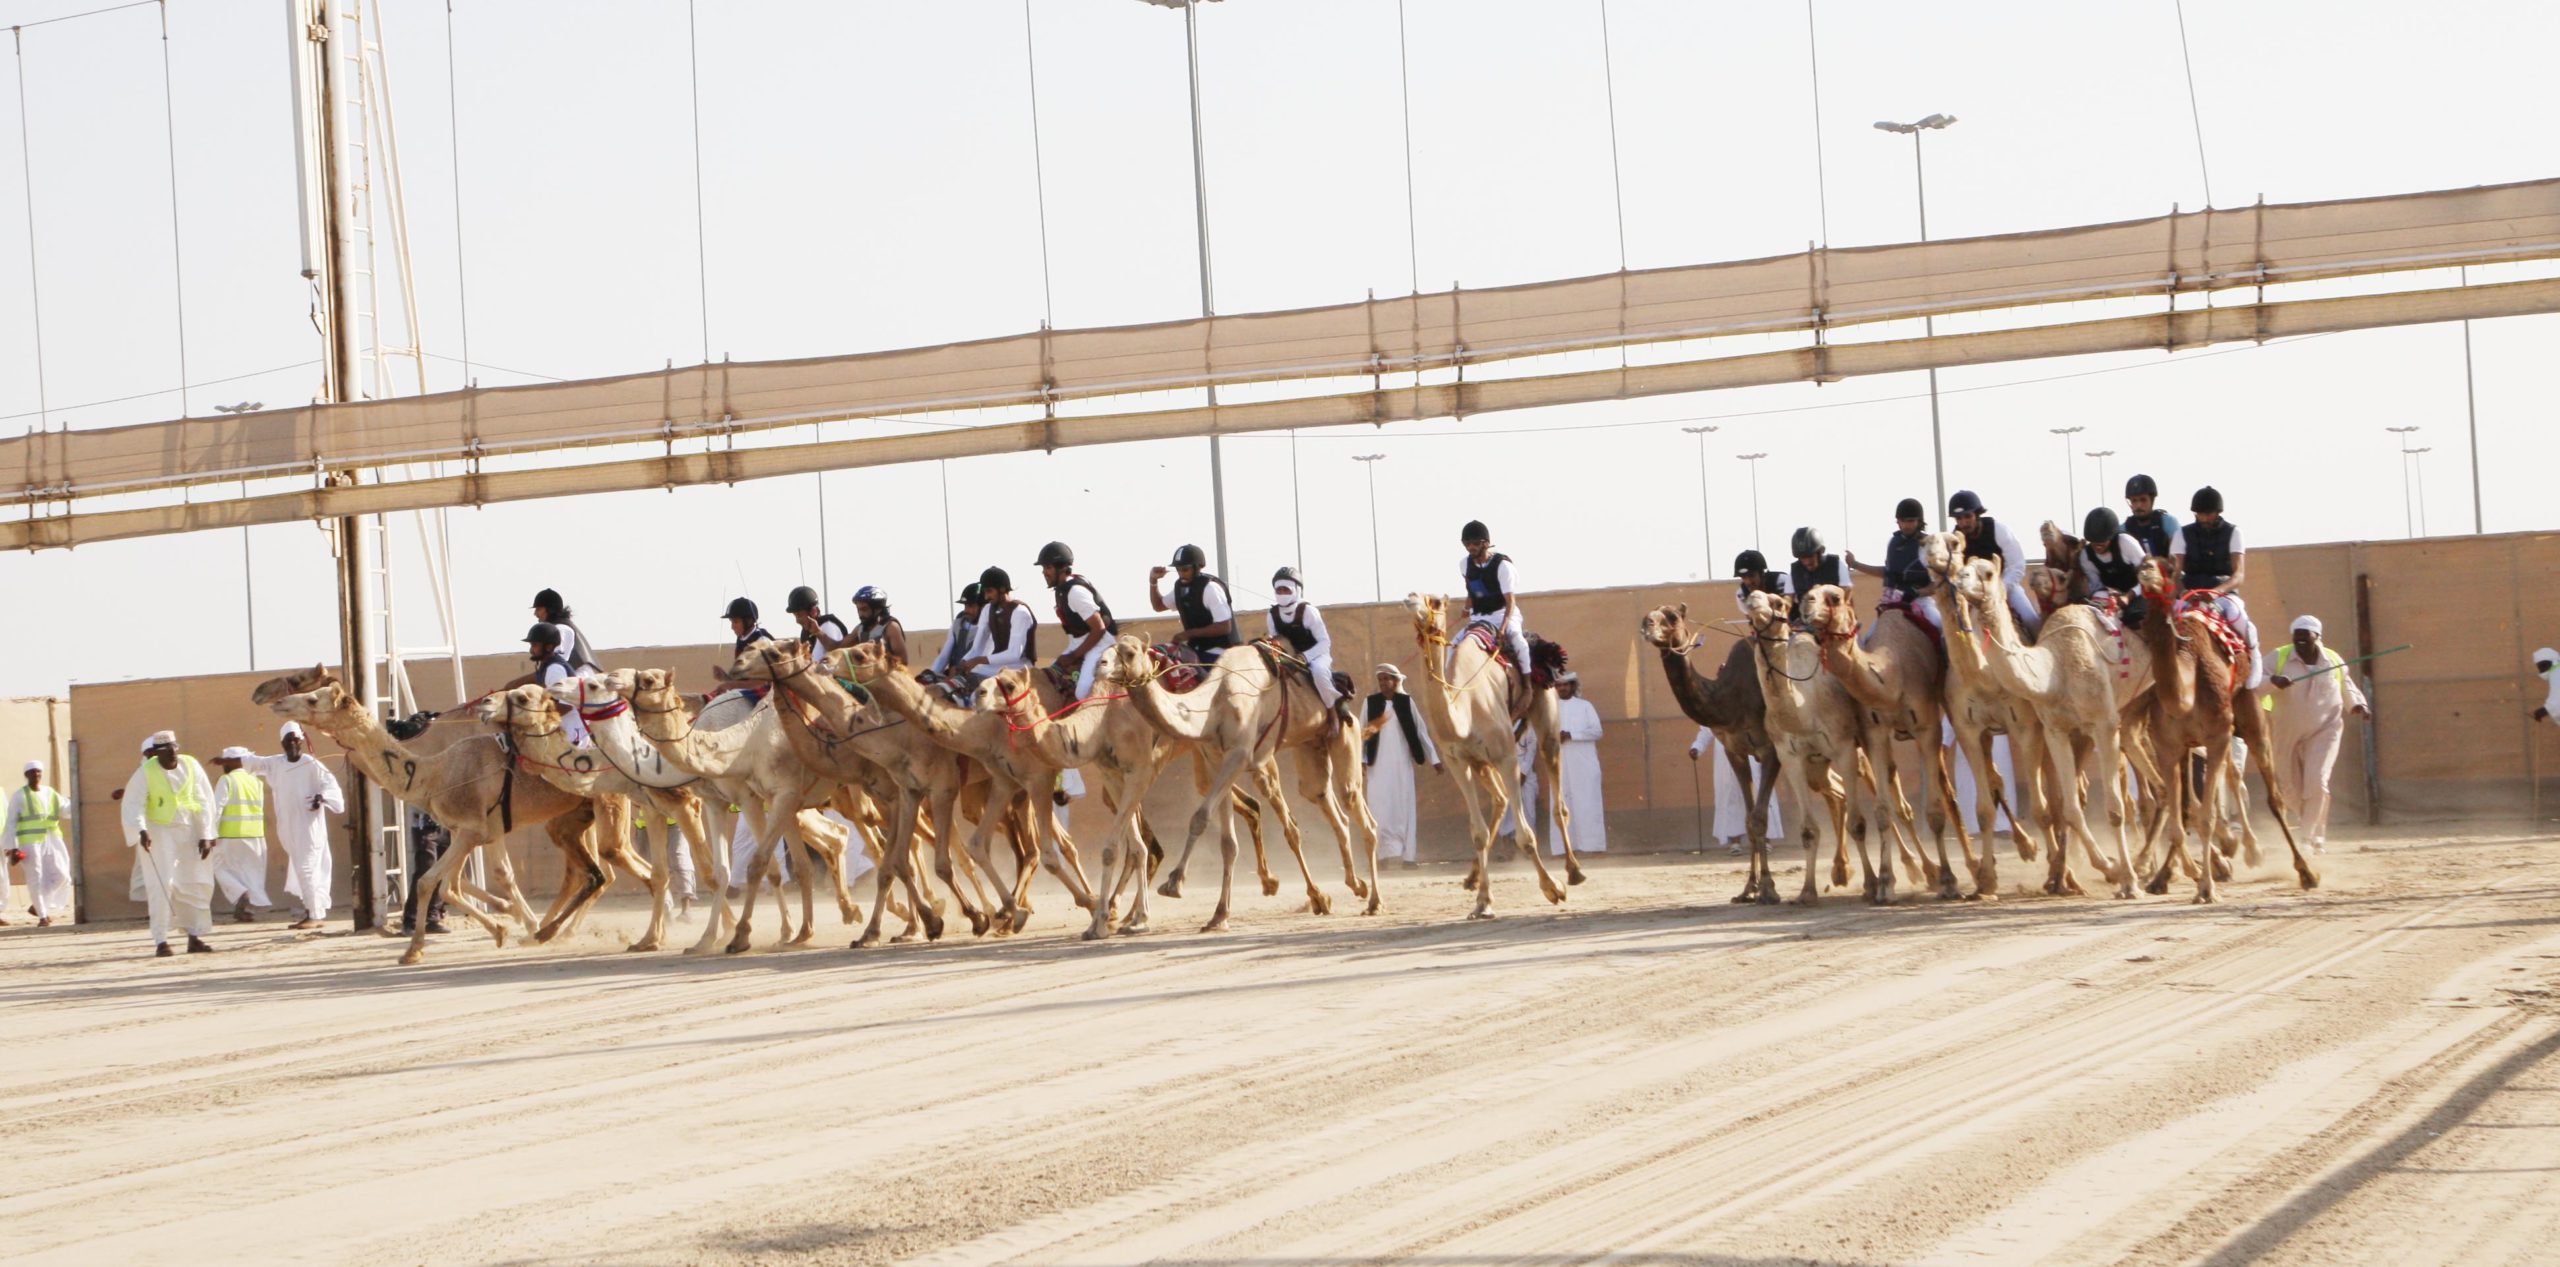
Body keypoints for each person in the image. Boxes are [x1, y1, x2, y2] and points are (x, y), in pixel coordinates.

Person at [2264, 614, 2370, 853]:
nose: (2300, 642)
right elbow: (2254, 681)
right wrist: (2273, 681)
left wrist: (2357, 704)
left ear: (2317, 637)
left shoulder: (2332, 659)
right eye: (2296, 637)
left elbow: (2346, 685)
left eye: (2305, 637)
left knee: (2317, 781)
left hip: (2325, 729)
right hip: (2285, 729)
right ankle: (2313, 825)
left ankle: (2307, 838)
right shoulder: (2278, 657)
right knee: (2289, 788)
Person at [239, 721, 346, 930]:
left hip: (308, 829)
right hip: (288, 829)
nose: (292, 744)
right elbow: (251, 762)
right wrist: (228, 758)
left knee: (307, 869)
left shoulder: (311, 764)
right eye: (288, 741)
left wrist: (321, 797)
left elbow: (331, 787)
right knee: (304, 869)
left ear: (302, 741)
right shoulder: (276, 763)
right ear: (282, 743)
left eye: (296, 740)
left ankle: (314, 915)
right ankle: (314, 911)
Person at [122, 731, 217, 957]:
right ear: (155, 754)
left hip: (190, 829)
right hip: (159, 831)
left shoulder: (191, 765)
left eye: (175, 748)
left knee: (194, 882)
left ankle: (194, 936)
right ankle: (161, 940)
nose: (172, 753)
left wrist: (206, 833)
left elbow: (204, 799)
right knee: (163, 883)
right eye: (166, 751)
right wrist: (142, 830)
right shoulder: (145, 772)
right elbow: (134, 804)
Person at [2171, 486, 2264, 688]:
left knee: (2241, 618)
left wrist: (2217, 592)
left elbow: (2238, 574)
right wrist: (2183, 592)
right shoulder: (2182, 534)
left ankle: (2254, 655)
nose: (2204, 518)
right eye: (2200, 514)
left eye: (2208, 514)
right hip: (2191, 593)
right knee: (2166, 620)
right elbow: (2176, 573)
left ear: (2218, 512)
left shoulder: (2233, 532)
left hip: (2223, 593)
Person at [1362, 664, 1439, 866]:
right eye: (1380, 680)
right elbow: (1363, 734)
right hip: (1377, 766)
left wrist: (1435, 759)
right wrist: (1361, 760)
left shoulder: (1406, 702)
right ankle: (1381, 857)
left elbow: (1421, 732)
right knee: (1379, 808)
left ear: (1396, 681)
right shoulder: (1370, 703)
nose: (1383, 683)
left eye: (1387, 679)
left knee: (1404, 808)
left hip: (1401, 765)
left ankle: (1408, 858)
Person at [1947, 489, 2042, 636]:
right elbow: (1954, 572)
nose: (1963, 522)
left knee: (2031, 620)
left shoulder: (1998, 530)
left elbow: (2017, 565)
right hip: (1973, 593)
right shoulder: (1955, 540)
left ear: (1977, 514)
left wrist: (2000, 588)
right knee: (1951, 632)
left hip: (2005, 586)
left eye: (1967, 516)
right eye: (1958, 518)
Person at [1846, 497, 1939, 636]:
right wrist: (1855, 564)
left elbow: (1936, 584)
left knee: (1943, 631)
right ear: (1898, 522)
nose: (1907, 525)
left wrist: (1917, 593)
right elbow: (1887, 572)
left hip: (1921, 603)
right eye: (1903, 521)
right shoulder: (1893, 542)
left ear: (1919, 522)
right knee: (1868, 639)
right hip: (1893, 602)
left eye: (1911, 521)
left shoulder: (1928, 546)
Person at [1039, 542, 1118, 700]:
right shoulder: (1062, 588)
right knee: (1049, 677)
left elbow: (1099, 629)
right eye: (1043, 568)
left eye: (1047, 568)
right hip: (1081, 641)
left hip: (1100, 643)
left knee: (1082, 693)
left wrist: (1074, 656)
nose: (1044, 573)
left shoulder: (1075, 592)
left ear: (1061, 568)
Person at [1266, 566, 1346, 715]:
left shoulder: (1308, 611)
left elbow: (1324, 642)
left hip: (1316, 656)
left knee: (1319, 672)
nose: (1282, 593)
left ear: (1296, 590)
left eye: (1286, 590)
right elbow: (1276, 640)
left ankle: (1332, 712)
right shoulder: (1272, 614)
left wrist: (1304, 656)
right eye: (1279, 590)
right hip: (1289, 658)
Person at [1688, 728, 1781, 854]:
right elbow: (1707, 729)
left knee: (1761, 794)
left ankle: (1764, 840)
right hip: (1727, 754)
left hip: (1752, 749)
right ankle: (1735, 842)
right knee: (1730, 795)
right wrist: (1697, 747)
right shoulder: (1716, 709)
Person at [1457, 520, 1532, 673]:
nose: (1470, 547)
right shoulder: (1464, 564)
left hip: (1503, 615)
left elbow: (1510, 601)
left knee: (1520, 643)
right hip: (1479, 618)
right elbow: (1471, 590)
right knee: (1453, 646)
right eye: (1467, 543)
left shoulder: (1503, 567)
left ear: (1486, 544)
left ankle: (1527, 684)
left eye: (1475, 543)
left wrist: (1503, 628)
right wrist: (1466, 608)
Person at [208, 747, 273, 924]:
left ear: (231, 762)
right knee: (251, 873)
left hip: (230, 834)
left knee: (217, 866)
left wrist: (210, 832)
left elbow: (217, 807)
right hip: (255, 835)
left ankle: (240, 894)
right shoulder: (256, 781)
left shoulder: (227, 780)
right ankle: (246, 910)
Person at [4, 760, 73, 926]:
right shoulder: (20, 795)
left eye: (38, 772)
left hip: (52, 839)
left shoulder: (50, 793)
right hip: (30, 842)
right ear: (26, 775)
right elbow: (11, 822)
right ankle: (43, 916)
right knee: (36, 877)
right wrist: (12, 848)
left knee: (62, 875)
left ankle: (38, 906)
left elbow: (66, 809)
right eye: (32, 772)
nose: (36, 775)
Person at [1547, 671, 1606, 856]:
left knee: (1587, 802)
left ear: (1572, 686)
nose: (1561, 688)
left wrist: (1571, 735)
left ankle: (1592, 846)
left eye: (1565, 685)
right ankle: (1563, 848)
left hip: (1584, 764)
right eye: (1558, 685)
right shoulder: (1550, 708)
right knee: (1561, 802)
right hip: (1559, 763)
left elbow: (1597, 731)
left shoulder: (1585, 706)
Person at [1150, 544, 1237, 659]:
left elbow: (1224, 627)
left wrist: (1189, 634)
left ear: (1197, 567)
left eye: (1185, 569)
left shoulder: (1210, 588)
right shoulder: (1180, 587)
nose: (1181, 573)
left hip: (1219, 653)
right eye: (1178, 569)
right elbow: (1159, 606)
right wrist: (1153, 581)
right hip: (1196, 650)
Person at [956, 567, 1036, 688]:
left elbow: (1014, 654)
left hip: (1019, 667)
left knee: (978, 685)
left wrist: (978, 660)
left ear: (1002, 589)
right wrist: (964, 661)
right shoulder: (988, 610)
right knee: (965, 680)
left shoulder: (1020, 612)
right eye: (985, 592)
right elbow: (976, 648)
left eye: (989, 591)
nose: (986, 596)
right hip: (997, 667)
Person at [526, 622, 592, 745]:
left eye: (534, 645)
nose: (531, 649)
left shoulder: (554, 669)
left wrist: (536, 717)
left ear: (549, 647)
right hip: (564, 731)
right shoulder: (546, 666)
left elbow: (566, 706)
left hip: (571, 734)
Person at [2077, 506, 2148, 610]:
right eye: (2094, 542)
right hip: (2112, 596)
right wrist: (2110, 594)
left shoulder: (2126, 542)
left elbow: (2147, 576)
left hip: (2138, 592)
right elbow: (2096, 585)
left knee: (2134, 616)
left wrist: (2129, 596)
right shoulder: (2086, 556)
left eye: (2102, 541)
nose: (2097, 546)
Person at [400, 807, 450, 935]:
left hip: (445, 825)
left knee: (443, 871)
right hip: (424, 826)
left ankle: (433, 916)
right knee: (425, 871)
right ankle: (410, 919)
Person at [533, 588, 602, 673]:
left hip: (578, 678)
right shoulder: (557, 628)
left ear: (550, 610)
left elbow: (556, 665)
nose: (535, 614)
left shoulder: (560, 629)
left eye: (538, 609)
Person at [926, 582, 985, 680]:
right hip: (956, 676)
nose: (966, 610)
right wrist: (932, 675)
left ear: (983, 607)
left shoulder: (990, 628)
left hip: (977, 678)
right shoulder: (958, 623)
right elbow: (944, 656)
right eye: (965, 606)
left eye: (971, 606)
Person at [2121, 475, 2181, 559]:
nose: (2138, 505)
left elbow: (2177, 558)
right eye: (2134, 500)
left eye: (2143, 500)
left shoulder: (2168, 522)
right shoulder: (2123, 529)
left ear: (2152, 500)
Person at [786, 585, 852, 658]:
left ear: (813, 612)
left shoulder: (828, 626)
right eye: (795, 616)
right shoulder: (805, 634)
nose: (797, 621)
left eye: (799, 615)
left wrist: (819, 633)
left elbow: (836, 652)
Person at [851, 585, 908, 664]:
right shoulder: (860, 628)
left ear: (878, 608)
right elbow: (838, 647)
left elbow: (903, 661)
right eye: (858, 610)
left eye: (864, 609)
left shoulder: (891, 627)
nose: (860, 614)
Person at [2533, 648, 2559, 725]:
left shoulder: (2556, 673)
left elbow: (2557, 703)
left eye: (2543, 666)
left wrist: (2541, 712)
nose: (2541, 670)